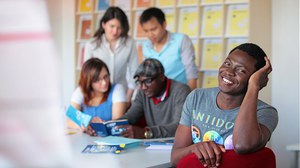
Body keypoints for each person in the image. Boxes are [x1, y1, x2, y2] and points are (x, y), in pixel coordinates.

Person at [171, 43, 278, 167]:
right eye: (227, 63)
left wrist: (254, 86)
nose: (229, 72)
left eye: (241, 70)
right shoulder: (197, 97)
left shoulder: (266, 112)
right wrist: (196, 148)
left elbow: (243, 145)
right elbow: (175, 158)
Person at [114, 58, 191, 138]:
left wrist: (147, 133)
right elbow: (130, 117)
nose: (143, 87)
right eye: (139, 82)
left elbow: (180, 127)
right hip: (153, 145)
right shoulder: (143, 93)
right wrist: (111, 125)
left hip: (176, 145)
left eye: (148, 81)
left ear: (161, 77)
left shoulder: (181, 91)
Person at [84, 6, 138, 103]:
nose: (115, 32)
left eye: (119, 28)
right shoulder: (92, 45)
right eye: (112, 26)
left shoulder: (130, 43)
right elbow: (87, 73)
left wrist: (128, 96)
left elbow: (134, 71)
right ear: (104, 25)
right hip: (97, 95)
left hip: (122, 94)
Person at [139, 7, 198, 90]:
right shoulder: (145, 46)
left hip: (179, 93)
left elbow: (191, 70)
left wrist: (192, 97)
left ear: (164, 24)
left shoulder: (181, 40)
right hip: (156, 95)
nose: (150, 34)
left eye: (153, 29)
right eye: (146, 31)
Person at [67, 58, 127, 129]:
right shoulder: (80, 91)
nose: (104, 82)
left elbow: (117, 123)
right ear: (89, 82)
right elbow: (69, 121)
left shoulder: (117, 89)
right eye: (97, 80)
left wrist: (91, 125)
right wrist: (86, 124)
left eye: (106, 76)